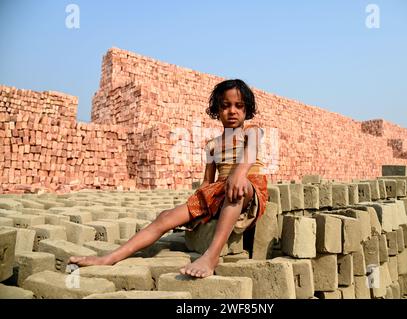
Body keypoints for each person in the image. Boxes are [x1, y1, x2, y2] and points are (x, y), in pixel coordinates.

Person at [69, 79, 269, 278]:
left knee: (236, 190)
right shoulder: (212, 145)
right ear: (217, 110)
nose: (232, 111)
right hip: (218, 189)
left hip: (249, 185)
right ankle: (110, 258)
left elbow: (250, 153)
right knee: (166, 216)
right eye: (225, 106)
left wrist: (239, 173)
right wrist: (193, 208)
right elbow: (208, 182)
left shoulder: (251, 132)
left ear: (247, 110)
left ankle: (211, 257)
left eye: (239, 106)